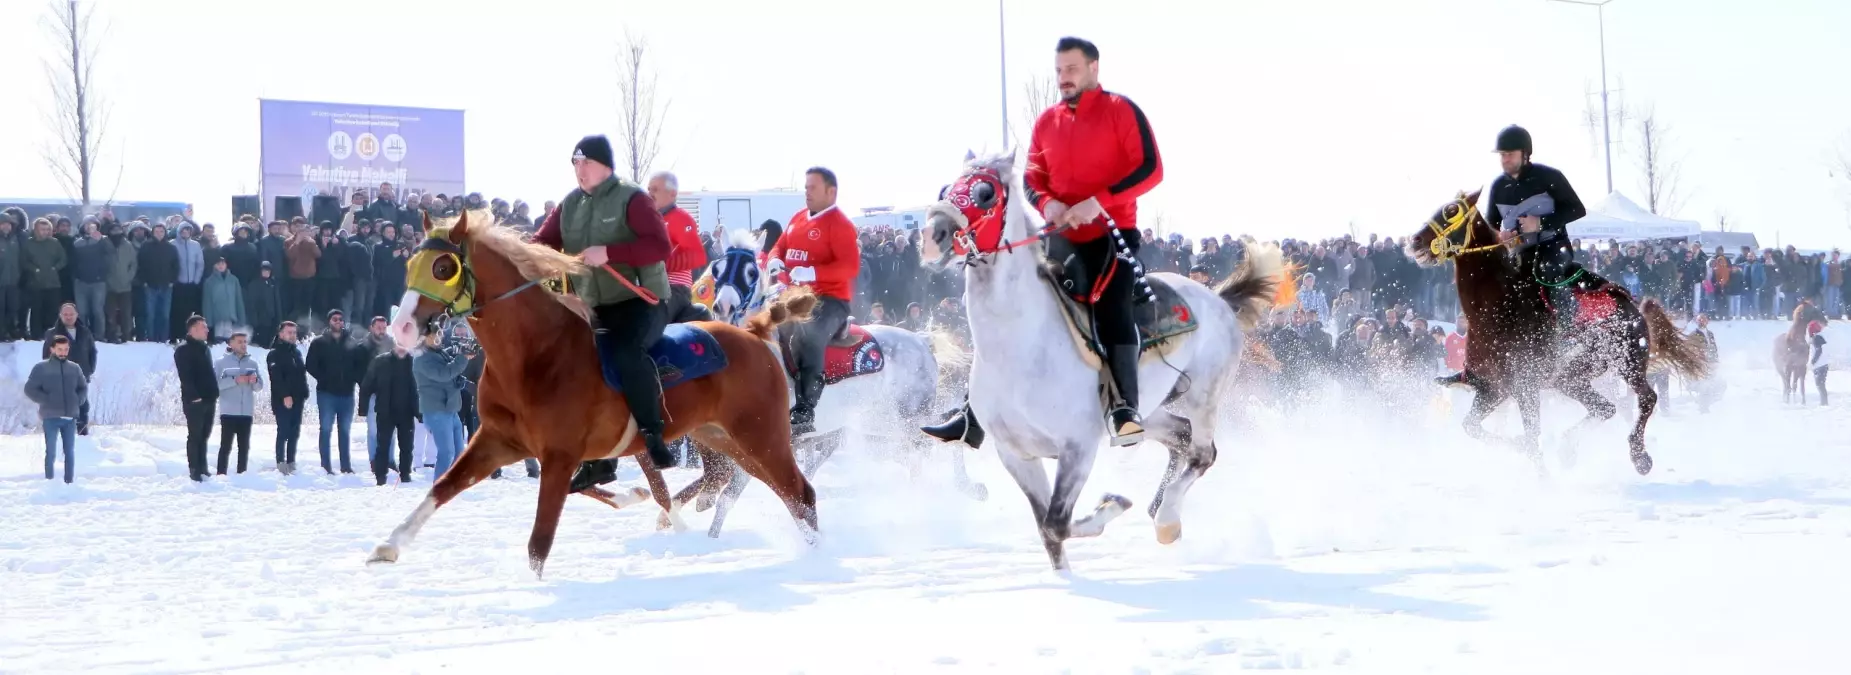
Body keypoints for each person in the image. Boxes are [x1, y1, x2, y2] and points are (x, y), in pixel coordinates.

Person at [924, 36, 1164, 448]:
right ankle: (974, 411)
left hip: (1111, 236)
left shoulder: (1121, 111)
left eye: (1071, 69)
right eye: (1058, 71)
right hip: (1057, 238)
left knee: (1112, 307)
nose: (1063, 78)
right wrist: (1049, 203)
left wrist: (1098, 202)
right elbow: (1033, 181)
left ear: (1093, 68)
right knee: (1004, 309)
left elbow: (1151, 169)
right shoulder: (1047, 122)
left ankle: (1125, 407)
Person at [531, 135, 676, 491]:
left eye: (585, 163)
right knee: (576, 366)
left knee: (627, 354)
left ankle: (653, 435)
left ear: (604, 165)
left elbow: (660, 246)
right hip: (596, 306)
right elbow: (542, 242)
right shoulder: (570, 204)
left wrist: (611, 252)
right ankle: (598, 460)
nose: (579, 171)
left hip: (643, 301)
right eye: (575, 164)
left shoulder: (633, 198)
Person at [768, 167, 861, 436]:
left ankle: (805, 409)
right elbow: (781, 245)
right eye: (806, 186)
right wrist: (775, 258)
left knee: (808, 335)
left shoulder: (840, 224)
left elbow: (850, 266)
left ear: (831, 192)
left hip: (830, 299)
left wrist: (814, 272)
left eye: (812, 187)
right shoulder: (798, 218)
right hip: (796, 295)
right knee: (765, 325)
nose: (806, 192)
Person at [648, 170, 713, 324]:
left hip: (674, 289)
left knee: (645, 322)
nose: (649, 194)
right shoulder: (647, 221)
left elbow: (697, 255)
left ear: (672, 193)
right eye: (649, 189)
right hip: (647, 287)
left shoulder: (681, 218)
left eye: (655, 189)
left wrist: (659, 264)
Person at [413, 329, 476, 479]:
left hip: (451, 408)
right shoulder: (422, 358)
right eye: (433, 335)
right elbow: (444, 374)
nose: (437, 338)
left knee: (458, 454)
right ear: (424, 337)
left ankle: (451, 486)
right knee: (446, 453)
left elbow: (450, 374)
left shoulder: (440, 352)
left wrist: (459, 381)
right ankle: (439, 488)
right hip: (436, 411)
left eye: (439, 334)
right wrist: (463, 357)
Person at [25, 335, 87, 484]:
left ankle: (69, 482)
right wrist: (47, 400)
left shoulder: (74, 368)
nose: (63, 352)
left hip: (70, 417)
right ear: (52, 349)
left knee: (69, 452)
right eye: (59, 349)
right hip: (50, 416)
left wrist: (77, 401)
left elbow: (83, 388)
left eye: (66, 349)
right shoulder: (41, 368)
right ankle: (50, 481)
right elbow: (29, 389)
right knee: (51, 452)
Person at [358, 344, 419, 485]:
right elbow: (367, 385)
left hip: (407, 411)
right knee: (383, 445)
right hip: (385, 411)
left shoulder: (413, 362)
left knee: (407, 446)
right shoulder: (381, 361)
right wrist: (363, 408)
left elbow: (419, 389)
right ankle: (380, 476)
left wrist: (419, 411)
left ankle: (405, 474)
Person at [174, 315, 218, 481]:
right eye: (203, 327)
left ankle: (203, 467)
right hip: (195, 400)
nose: (207, 330)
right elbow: (185, 376)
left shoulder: (205, 348)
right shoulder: (183, 350)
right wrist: (194, 396)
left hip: (209, 397)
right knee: (195, 435)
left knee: (205, 434)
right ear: (193, 329)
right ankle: (194, 469)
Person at [42, 303, 96, 435]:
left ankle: (82, 432)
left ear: (77, 315)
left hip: (81, 375)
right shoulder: (52, 333)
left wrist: (89, 370)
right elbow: (46, 356)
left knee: (82, 405)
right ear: (60, 316)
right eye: (65, 314)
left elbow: (92, 353)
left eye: (71, 314)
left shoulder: (85, 332)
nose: (68, 317)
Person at [214, 330, 264, 474]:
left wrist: (255, 382)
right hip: (228, 411)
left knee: (244, 446)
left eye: (245, 342)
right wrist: (235, 380)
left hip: (246, 411)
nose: (243, 345)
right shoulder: (221, 363)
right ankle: (221, 474)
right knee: (226, 446)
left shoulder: (252, 363)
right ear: (231, 343)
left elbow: (259, 387)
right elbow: (214, 385)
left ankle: (242, 474)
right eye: (239, 342)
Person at [267, 321, 309, 475]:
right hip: (282, 400)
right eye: (289, 332)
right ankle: (280, 461)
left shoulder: (296, 352)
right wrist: (285, 395)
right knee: (283, 430)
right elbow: (276, 378)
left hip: (298, 398)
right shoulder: (274, 353)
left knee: (294, 431)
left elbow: (301, 375)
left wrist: (304, 392)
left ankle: (291, 460)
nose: (292, 335)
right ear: (281, 334)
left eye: (294, 332)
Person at [1811, 320, 1829, 406]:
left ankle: (1824, 403)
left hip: (1820, 365)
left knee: (1820, 384)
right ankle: (1824, 402)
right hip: (1824, 364)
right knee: (1821, 384)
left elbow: (1818, 351)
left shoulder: (1816, 338)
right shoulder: (1820, 337)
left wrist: (1813, 361)